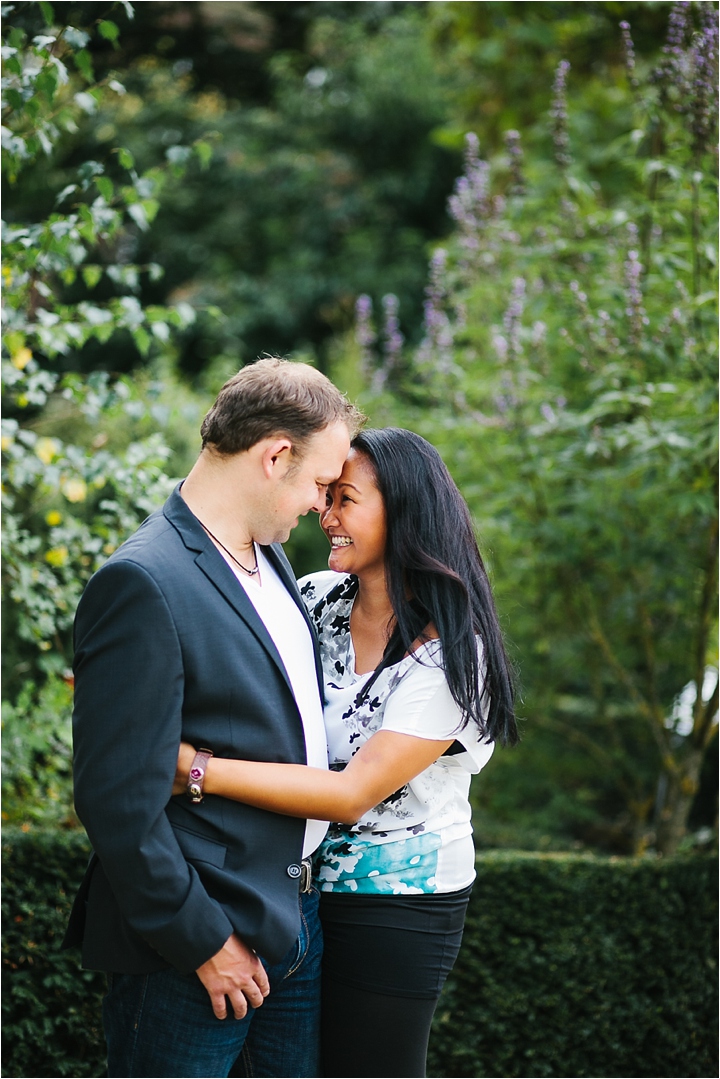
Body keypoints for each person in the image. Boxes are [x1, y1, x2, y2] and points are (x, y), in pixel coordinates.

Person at [175, 427, 518, 1078]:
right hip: (292, 892)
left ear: (404, 512)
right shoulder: (313, 599)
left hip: (395, 904)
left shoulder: (449, 655)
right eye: (324, 496)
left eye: (345, 499)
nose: (325, 515)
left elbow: (352, 794)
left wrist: (198, 771)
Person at [63, 358, 364, 1079]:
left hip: (295, 924)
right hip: (196, 951)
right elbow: (117, 803)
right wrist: (204, 942)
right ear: (275, 456)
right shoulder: (142, 580)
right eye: (323, 485)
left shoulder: (267, 556)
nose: (324, 509)